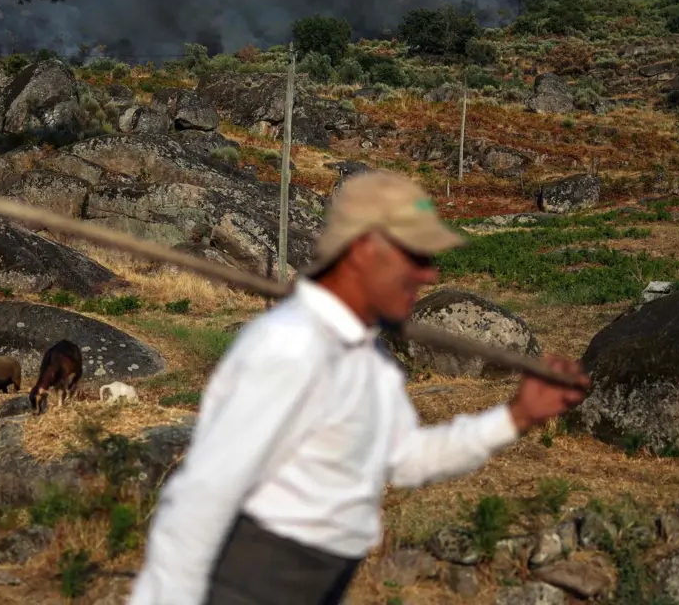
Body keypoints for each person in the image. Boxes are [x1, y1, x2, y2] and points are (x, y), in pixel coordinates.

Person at [128, 169, 591, 605]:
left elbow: (408, 459)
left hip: (315, 582)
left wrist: (518, 415)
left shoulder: (368, 360)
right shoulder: (291, 347)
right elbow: (204, 494)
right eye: (417, 256)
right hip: (251, 583)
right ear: (366, 250)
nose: (430, 275)